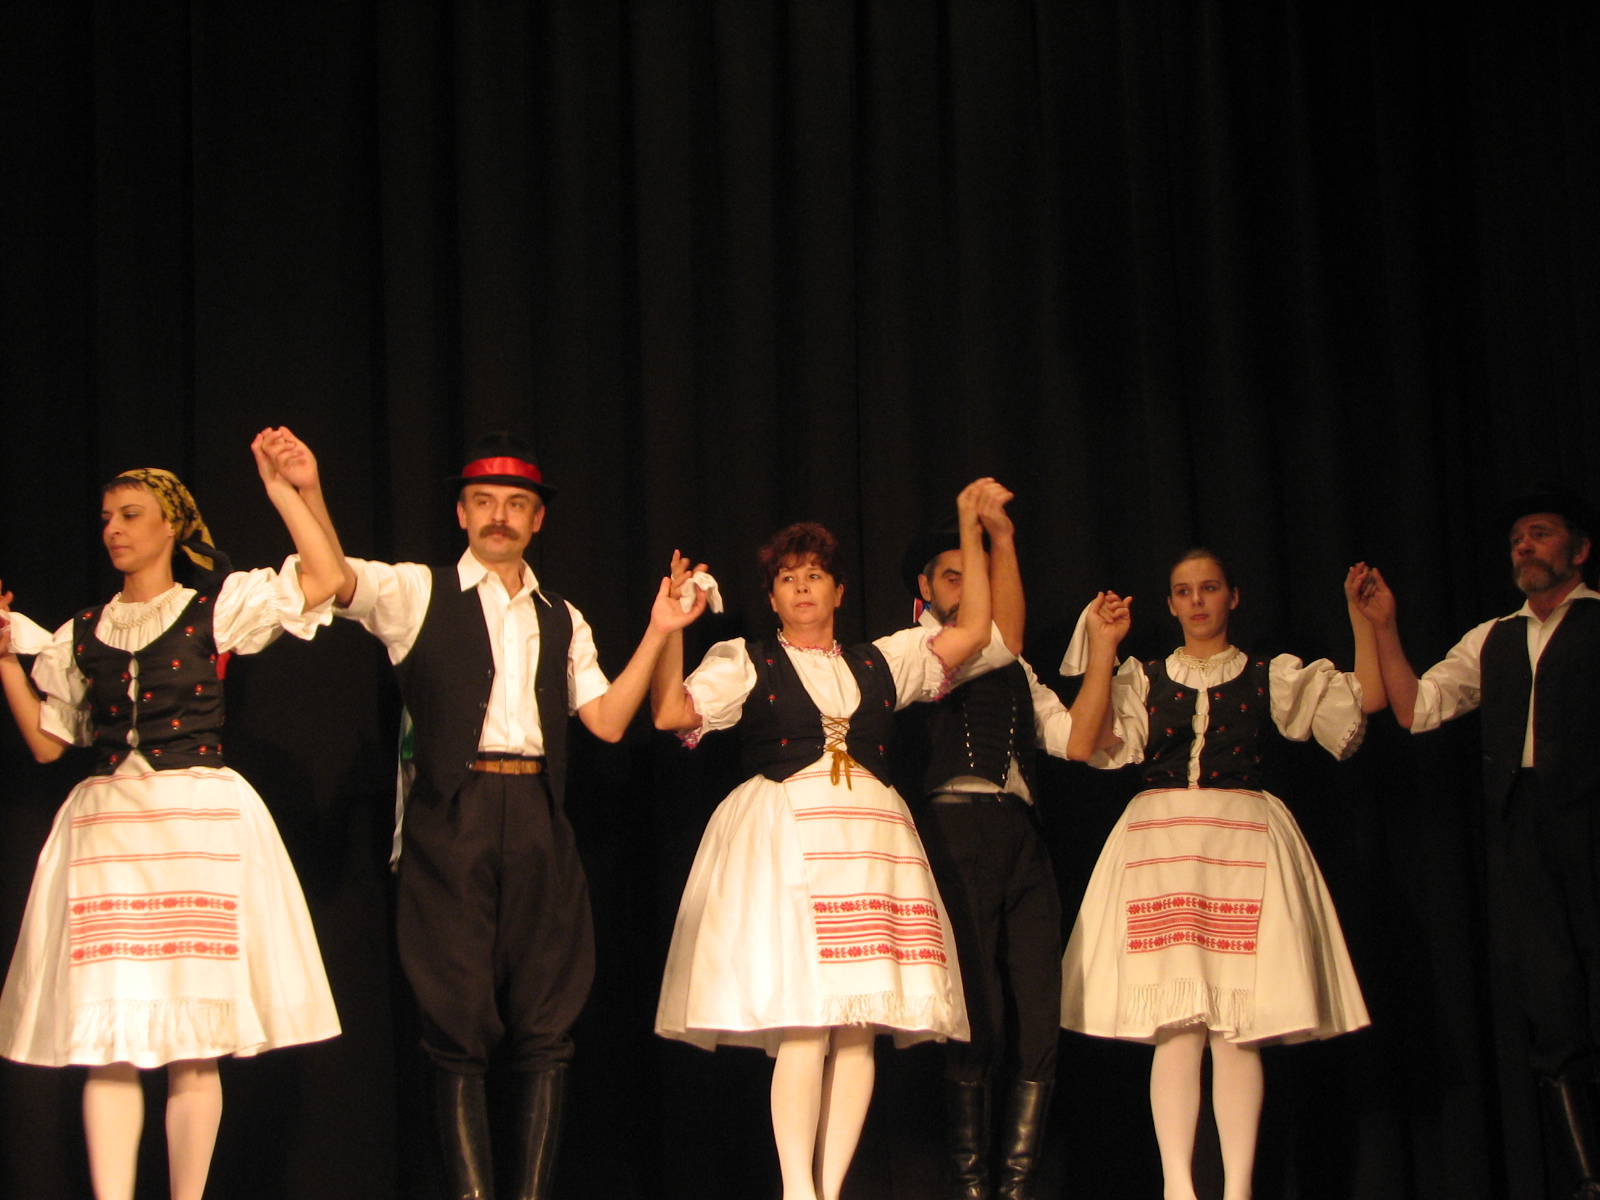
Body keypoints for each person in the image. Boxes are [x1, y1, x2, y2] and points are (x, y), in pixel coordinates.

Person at [275, 430, 706, 1200]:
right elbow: (334, 576)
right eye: (483, 502)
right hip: (454, 814)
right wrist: (306, 492)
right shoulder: (419, 592)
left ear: (537, 519)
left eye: (514, 504)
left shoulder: (563, 616)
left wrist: (660, 631)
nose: (498, 516)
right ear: (461, 513)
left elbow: (607, 721)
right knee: (455, 1016)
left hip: (538, 814)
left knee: (547, 1020)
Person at [0, 430, 344, 1200]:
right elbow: (51, 744)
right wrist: (3, 663)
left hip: (194, 828)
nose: (114, 530)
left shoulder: (214, 610)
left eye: (130, 515)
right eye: (106, 518)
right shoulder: (81, 632)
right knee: (109, 1036)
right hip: (108, 836)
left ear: (170, 526)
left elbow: (324, 577)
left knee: (194, 1040)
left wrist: (285, 491)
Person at [651, 480, 1013, 1200]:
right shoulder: (748, 661)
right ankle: (797, 1188)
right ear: (772, 597)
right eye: (787, 579)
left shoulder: (883, 660)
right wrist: (671, 629)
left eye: (814, 574)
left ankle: (830, 1186)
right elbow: (670, 713)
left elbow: (974, 628)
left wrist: (972, 530)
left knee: (857, 1027)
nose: (801, 587)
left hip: (870, 848)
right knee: (806, 1019)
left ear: (839, 590)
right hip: (788, 845)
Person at [1060, 550, 1378, 1200]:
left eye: (1208, 588)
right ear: (1170, 603)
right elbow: (1091, 741)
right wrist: (1103, 648)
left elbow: (1361, 705)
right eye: (1183, 591)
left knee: (1238, 1027)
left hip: (1241, 849)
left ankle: (1237, 1189)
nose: (1197, 600)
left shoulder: (1267, 675)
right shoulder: (1144, 679)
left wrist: (1365, 623)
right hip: (1161, 852)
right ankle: (1178, 1187)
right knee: (1177, 1025)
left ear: (1233, 595)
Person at [1350, 489, 1600, 1199]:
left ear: (1579, 550)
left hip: (1592, 818)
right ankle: (1589, 1178)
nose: (1525, 546)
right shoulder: (1493, 637)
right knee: (1552, 1000)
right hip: (1526, 830)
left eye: (1541, 534)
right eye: (1517, 537)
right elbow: (1416, 708)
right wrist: (1385, 627)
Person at [898, 494, 1117, 1200]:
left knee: (1041, 1015)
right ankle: (970, 1185)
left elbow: (1077, 742)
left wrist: (1103, 653)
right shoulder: (920, 651)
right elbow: (1002, 637)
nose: (968, 589)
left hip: (1020, 837)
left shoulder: (1015, 667)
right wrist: (993, 536)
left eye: (978, 576)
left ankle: (1016, 1186)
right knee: (979, 1018)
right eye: (953, 577)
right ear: (925, 589)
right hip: (955, 834)